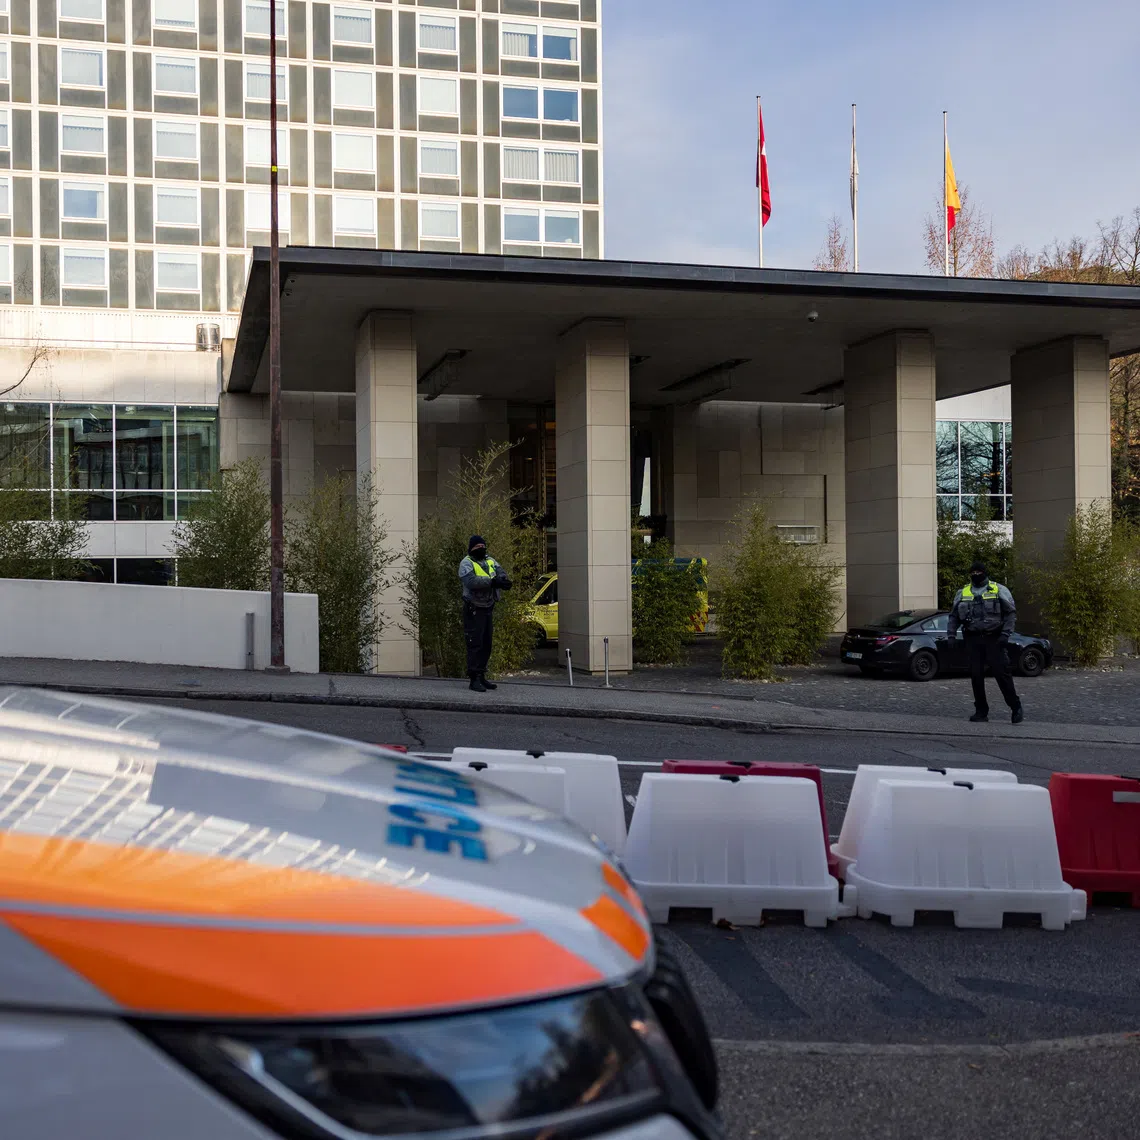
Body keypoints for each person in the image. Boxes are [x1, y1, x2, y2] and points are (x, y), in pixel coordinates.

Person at [947, 560, 1024, 724]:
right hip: (973, 639)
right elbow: (953, 617)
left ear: (984, 573)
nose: (975, 575)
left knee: (1002, 675)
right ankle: (981, 711)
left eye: (978, 572)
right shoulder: (963, 592)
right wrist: (951, 636)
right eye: (972, 573)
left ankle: (1016, 707)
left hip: (994, 639)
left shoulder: (999, 589)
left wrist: (1005, 634)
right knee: (976, 676)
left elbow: (1011, 614)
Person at [458, 535, 512, 693]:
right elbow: (471, 581)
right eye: (478, 547)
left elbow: (500, 572)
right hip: (474, 608)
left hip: (488, 606)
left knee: (486, 644)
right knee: (475, 644)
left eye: (483, 546)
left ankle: (481, 675)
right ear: (472, 548)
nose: (481, 548)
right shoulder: (466, 563)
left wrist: (503, 581)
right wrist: (492, 582)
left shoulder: (490, 560)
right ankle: (473, 678)